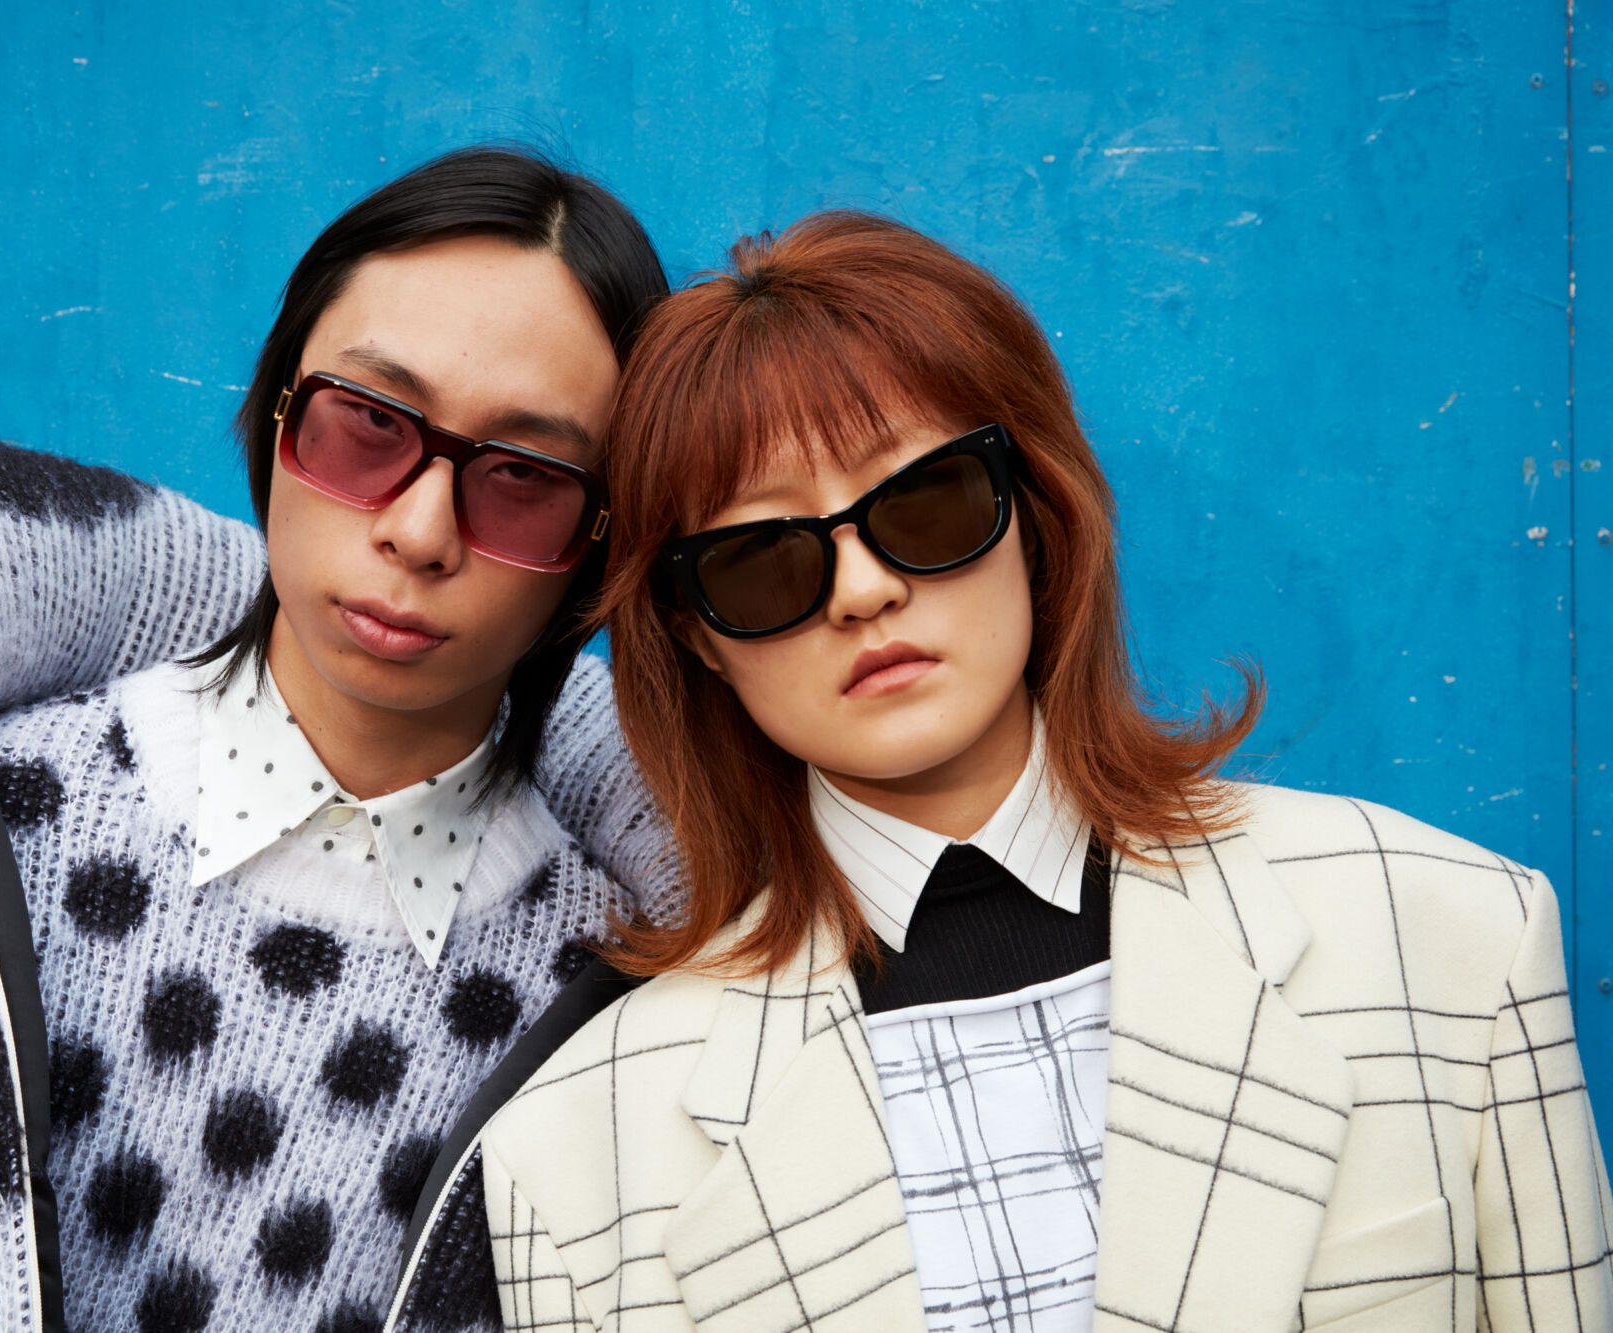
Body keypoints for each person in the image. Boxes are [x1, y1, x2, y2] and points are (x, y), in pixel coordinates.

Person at [432, 212, 1612, 1331]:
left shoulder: (1447, 936)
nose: (862, 590)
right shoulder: (582, 1148)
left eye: (924, 503)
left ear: (1029, 513)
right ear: (695, 634)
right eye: (760, 560)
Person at [0, 147, 669, 1333]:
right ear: (275, 414)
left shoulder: (626, 1018)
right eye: (368, 425)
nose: (420, 530)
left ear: (602, 545)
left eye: (524, 479)